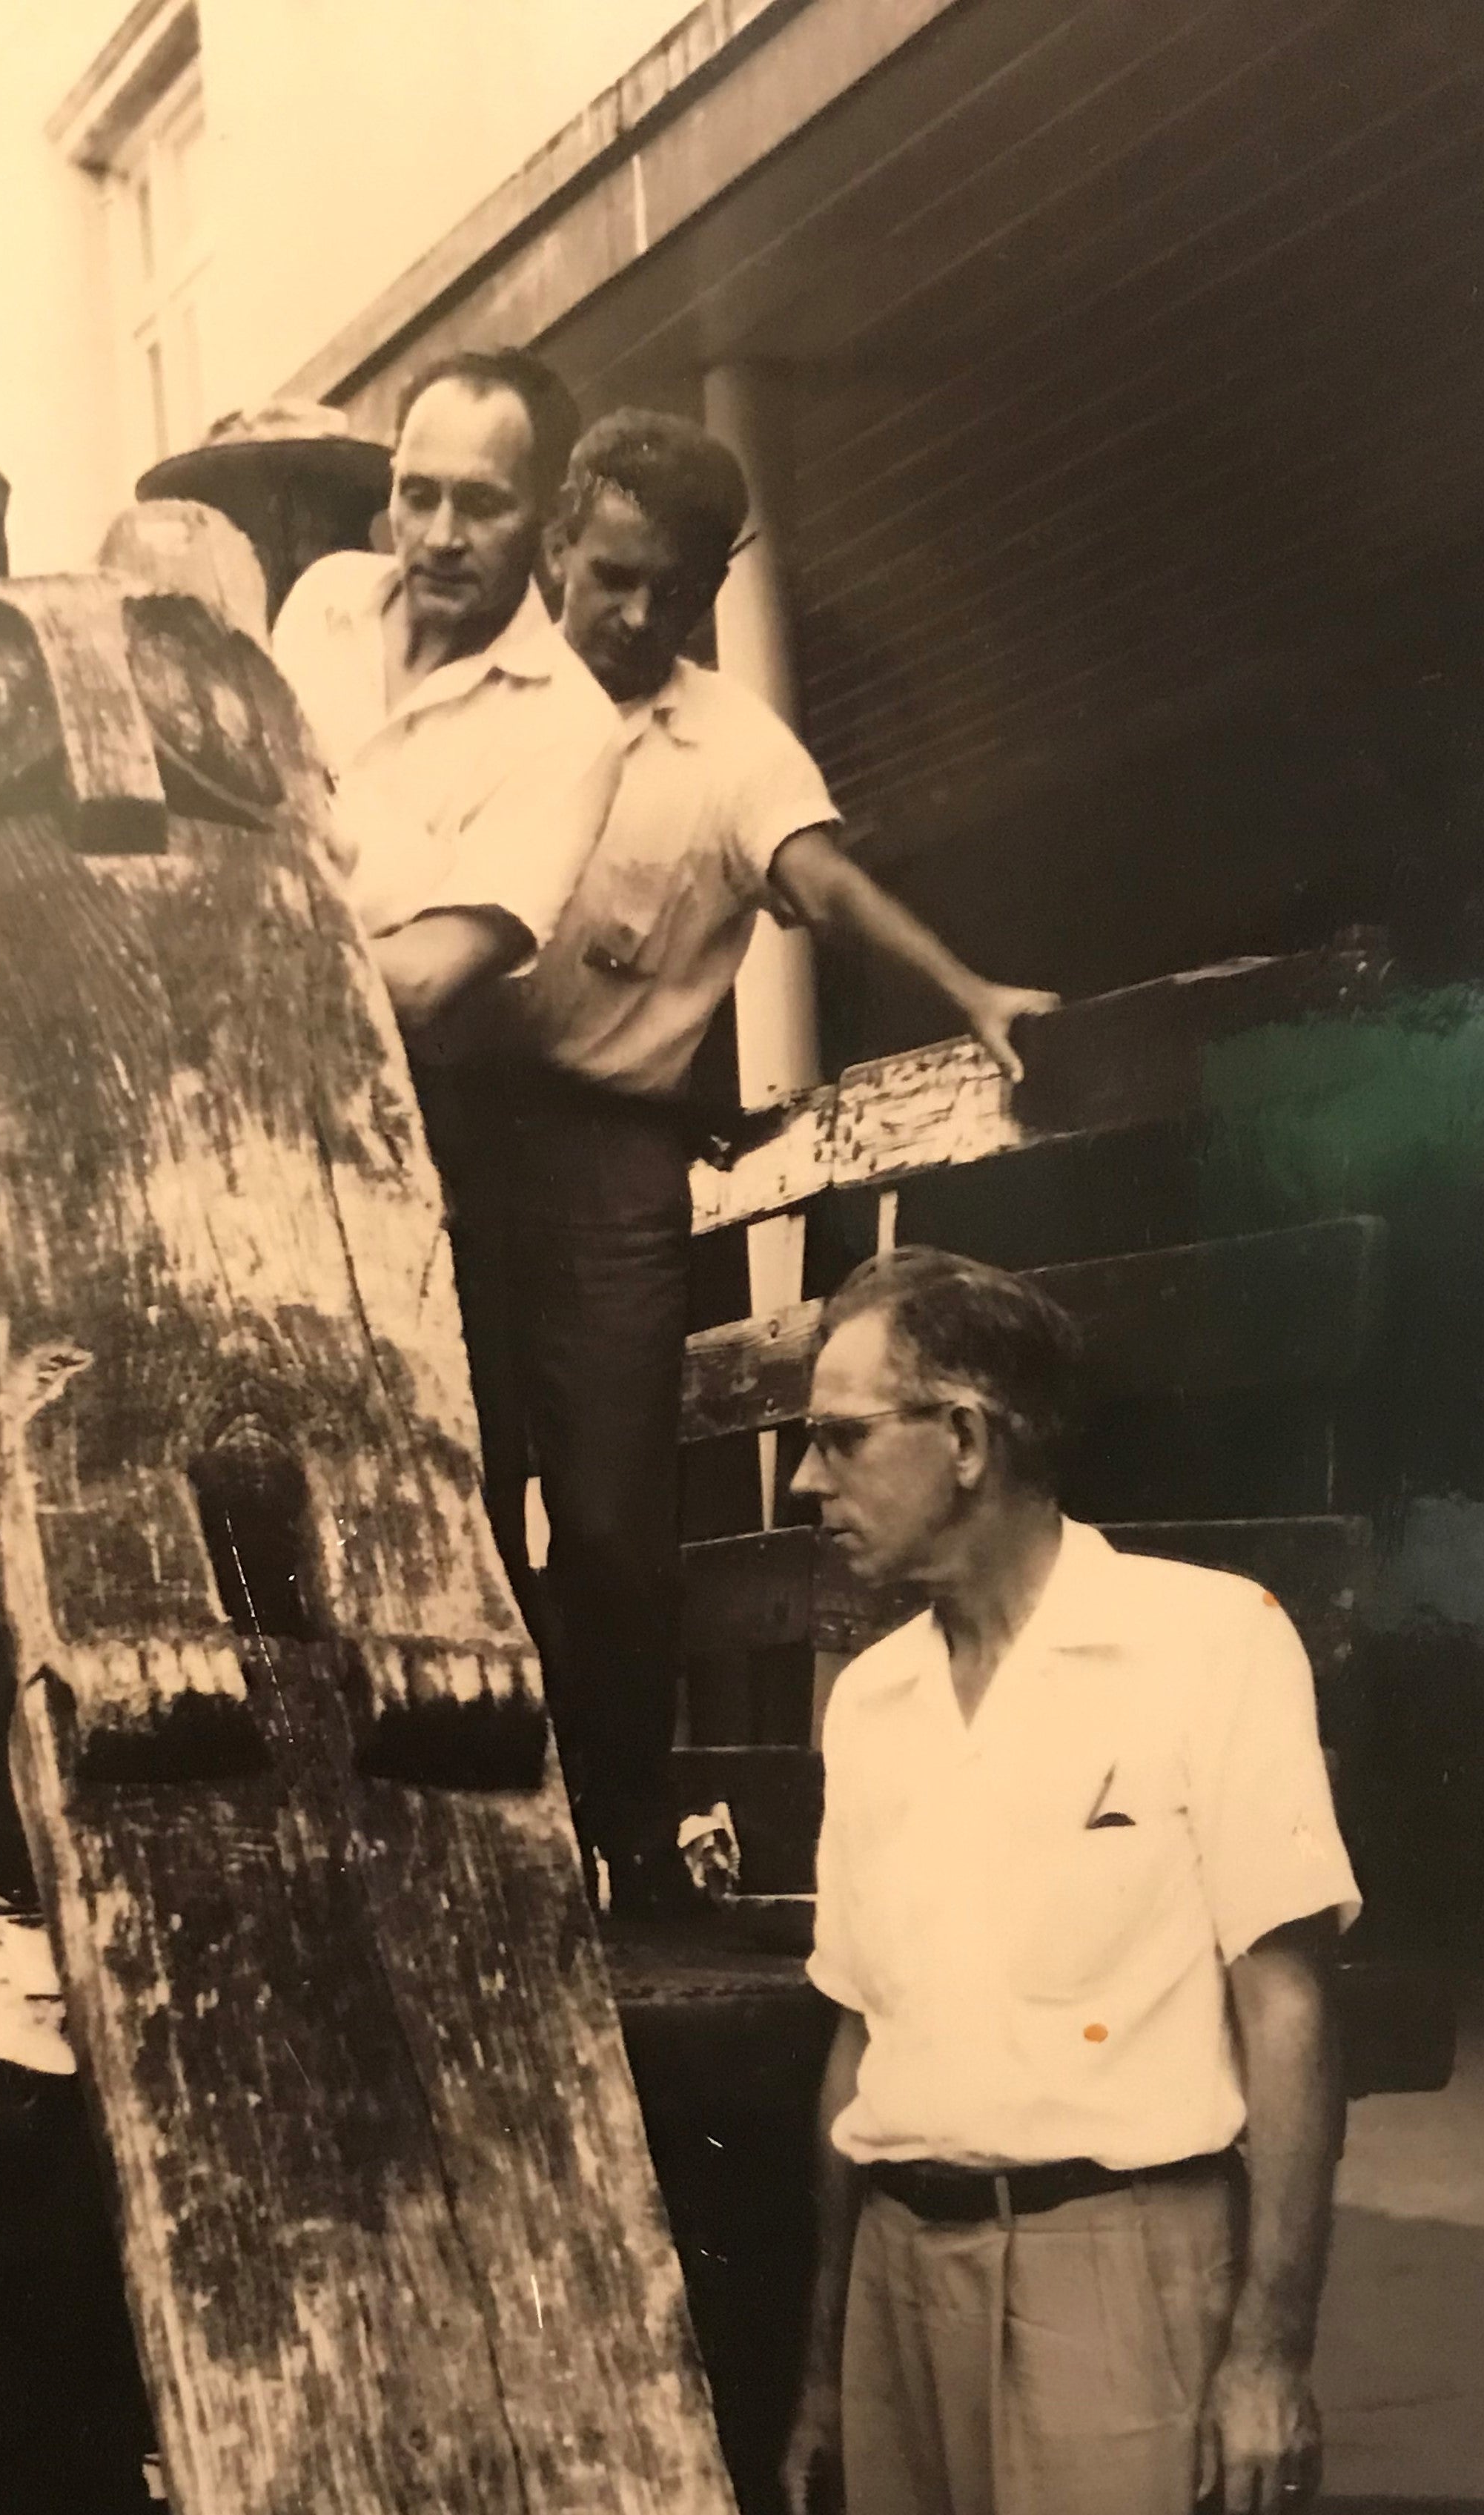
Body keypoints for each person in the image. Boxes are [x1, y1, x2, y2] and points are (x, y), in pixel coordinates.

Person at [778, 1246, 1357, 2515]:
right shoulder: (868, 1703)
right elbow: (852, 2046)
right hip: (902, 2287)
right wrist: (819, 2364)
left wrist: (1266, 2349)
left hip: (1121, 2275)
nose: (806, 1482)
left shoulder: (1200, 1641)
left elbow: (1287, 2005)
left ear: (964, 1435)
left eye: (834, 1438)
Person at [482, 409, 1057, 1916]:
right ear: (554, 545)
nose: (635, 616)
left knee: (614, 1521)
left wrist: (973, 992)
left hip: (610, 1154)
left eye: (674, 592)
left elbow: (825, 877)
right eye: (609, 576)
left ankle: (621, 1838)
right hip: (441, 1141)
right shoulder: (473, 691)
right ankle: (477, 1851)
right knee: (455, 1498)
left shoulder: (728, 741)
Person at [271, 348, 622, 1065]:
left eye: (484, 503)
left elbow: (427, 976)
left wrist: (239, 959)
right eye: (418, 494)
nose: (441, 537)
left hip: (396, 1094)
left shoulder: (573, 729)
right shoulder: (322, 599)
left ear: (553, 519)